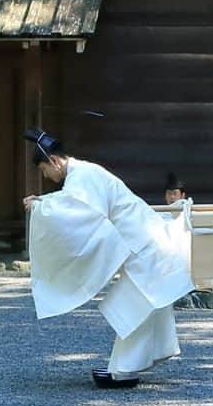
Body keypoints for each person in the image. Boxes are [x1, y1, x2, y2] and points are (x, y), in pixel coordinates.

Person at [23, 130, 193, 389]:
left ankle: (124, 371)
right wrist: (43, 201)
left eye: (45, 170)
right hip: (145, 239)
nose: (47, 176)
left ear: (55, 161)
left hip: (142, 243)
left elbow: (76, 210)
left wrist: (40, 206)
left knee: (135, 304)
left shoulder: (82, 176)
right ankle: (145, 358)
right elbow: (73, 202)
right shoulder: (83, 175)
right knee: (147, 302)